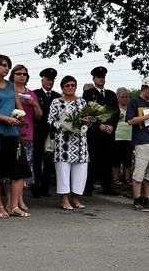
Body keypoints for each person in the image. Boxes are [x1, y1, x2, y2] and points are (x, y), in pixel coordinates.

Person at [0, 55, 31, 218]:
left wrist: (19, 118)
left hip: (13, 132)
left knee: (19, 170)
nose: (6, 68)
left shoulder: (11, 85)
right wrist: (5, 119)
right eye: (3, 65)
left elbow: (19, 107)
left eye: (8, 66)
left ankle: (13, 206)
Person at [48, 76, 89, 210]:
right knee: (63, 170)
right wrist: (62, 124)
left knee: (81, 170)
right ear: (62, 87)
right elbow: (50, 120)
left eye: (73, 85)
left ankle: (75, 198)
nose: (70, 88)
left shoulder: (82, 102)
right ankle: (64, 199)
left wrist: (87, 121)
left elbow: (88, 119)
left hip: (80, 142)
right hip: (63, 142)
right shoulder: (56, 102)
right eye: (67, 85)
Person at [126, 77, 149, 211]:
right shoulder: (134, 102)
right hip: (142, 140)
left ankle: (147, 198)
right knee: (140, 170)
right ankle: (137, 198)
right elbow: (130, 120)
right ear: (144, 88)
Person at [82, 66, 120, 196]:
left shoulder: (111, 94)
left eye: (103, 77)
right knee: (92, 160)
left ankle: (107, 187)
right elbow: (87, 112)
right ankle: (88, 187)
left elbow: (116, 112)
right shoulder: (88, 94)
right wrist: (98, 125)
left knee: (107, 160)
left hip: (109, 133)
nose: (101, 79)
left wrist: (112, 126)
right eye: (98, 77)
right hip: (94, 133)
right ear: (94, 79)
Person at [10, 64, 42, 212]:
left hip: (27, 134)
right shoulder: (8, 90)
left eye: (24, 74)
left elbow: (40, 116)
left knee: (23, 168)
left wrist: (34, 104)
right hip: (10, 131)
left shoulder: (31, 93)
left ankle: (20, 200)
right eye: (19, 73)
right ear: (13, 75)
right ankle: (11, 201)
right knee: (10, 167)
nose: (22, 76)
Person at [32, 68, 61, 198]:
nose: (50, 82)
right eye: (48, 79)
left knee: (49, 160)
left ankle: (45, 187)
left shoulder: (56, 96)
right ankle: (35, 186)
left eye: (52, 80)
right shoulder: (35, 94)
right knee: (37, 160)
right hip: (39, 130)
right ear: (42, 80)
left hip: (52, 132)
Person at [113, 87, 133, 185]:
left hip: (129, 136)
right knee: (116, 160)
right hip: (118, 136)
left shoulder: (131, 108)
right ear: (118, 98)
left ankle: (127, 178)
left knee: (128, 160)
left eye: (126, 97)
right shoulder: (115, 108)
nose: (124, 99)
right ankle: (115, 178)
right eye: (122, 97)